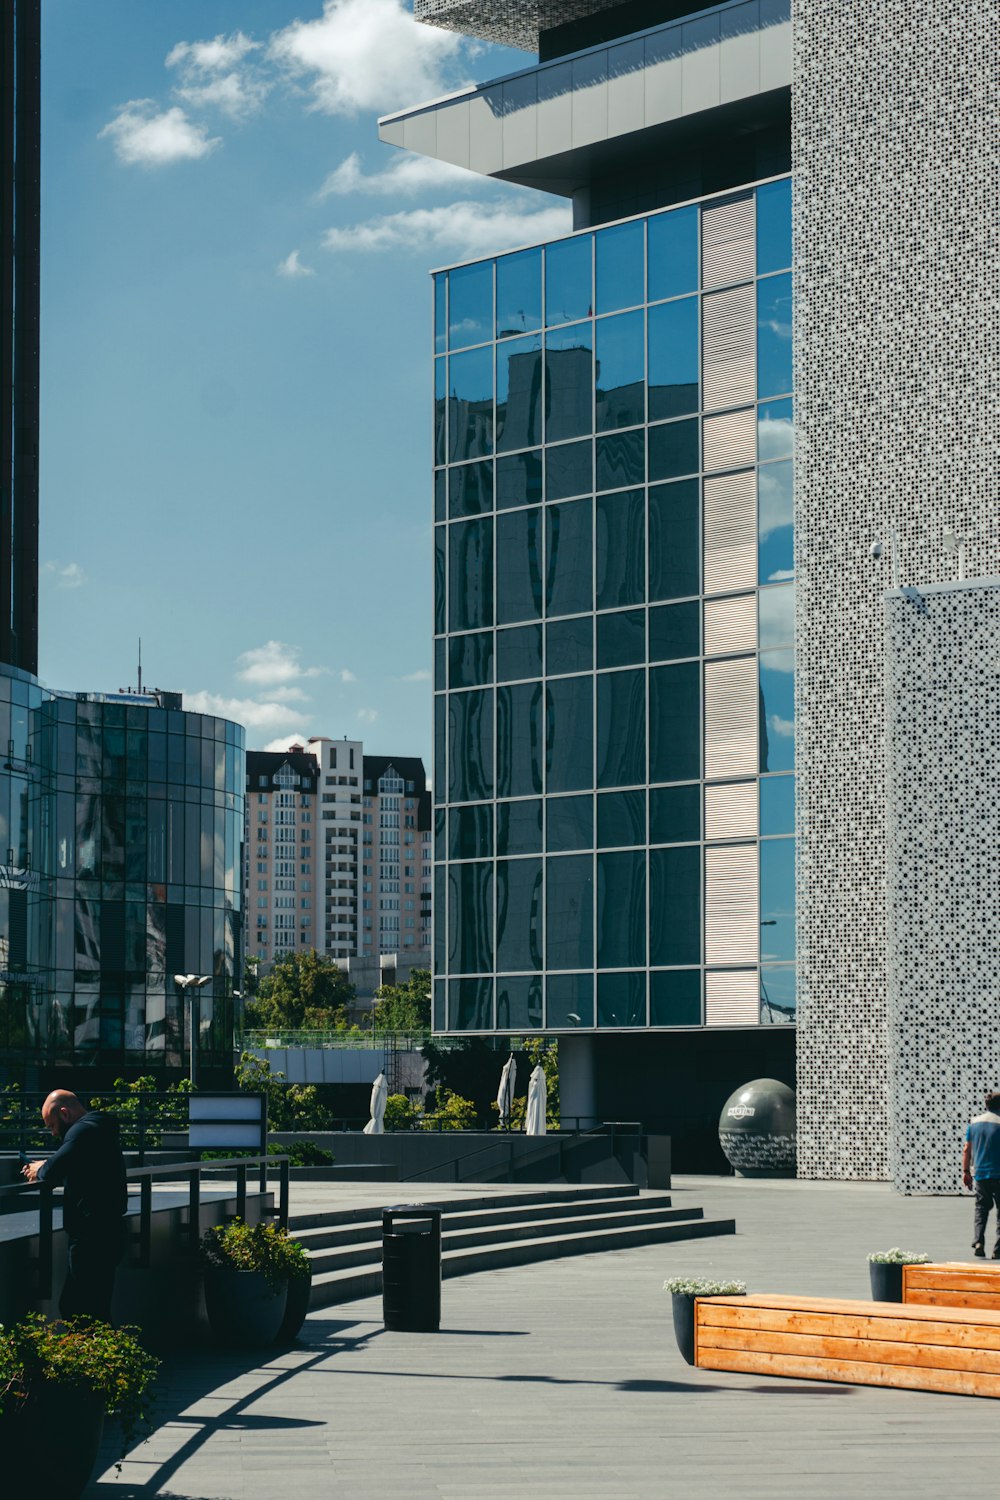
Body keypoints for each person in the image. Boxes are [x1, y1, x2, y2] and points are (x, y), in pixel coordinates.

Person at [21, 1090, 128, 1321]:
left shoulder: (83, 1131)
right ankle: (103, 1354)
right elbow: (74, 1163)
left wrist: (40, 1168)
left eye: (52, 1126)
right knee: (91, 1305)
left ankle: (94, 1356)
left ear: (64, 1113)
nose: (53, 1133)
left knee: (79, 1308)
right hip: (107, 1231)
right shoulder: (99, 1128)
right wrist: (47, 1164)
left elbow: (54, 1168)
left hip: (91, 1235)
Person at [962, 1091, 1000, 1258]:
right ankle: (998, 1249)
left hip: (981, 1175)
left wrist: (966, 1172)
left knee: (981, 1209)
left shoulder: (974, 1123)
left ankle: (978, 1241)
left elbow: (967, 1149)